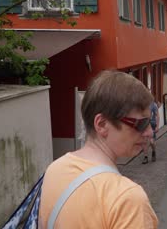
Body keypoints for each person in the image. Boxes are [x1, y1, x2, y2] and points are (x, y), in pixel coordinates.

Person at [39, 70, 158, 228]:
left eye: (150, 122)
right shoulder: (127, 199)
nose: (150, 132)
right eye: (141, 123)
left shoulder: (54, 169)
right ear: (102, 124)